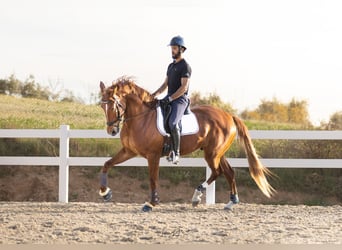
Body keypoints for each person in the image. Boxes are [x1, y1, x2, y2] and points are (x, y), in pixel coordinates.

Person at [152, 35, 192, 164]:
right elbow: (165, 85)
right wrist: (154, 95)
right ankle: (165, 146)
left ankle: (176, 152)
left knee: (173, 123)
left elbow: (184, 88)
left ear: (181, 49)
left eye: (174, 48)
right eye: (171, 48)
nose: (172, 51)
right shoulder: (170, 66)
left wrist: (170, 98)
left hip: (180, 99)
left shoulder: (185, 66)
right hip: (169, 97)